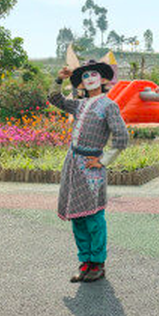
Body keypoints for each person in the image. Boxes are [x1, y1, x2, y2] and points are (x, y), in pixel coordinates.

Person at [49, 60, 129, 282]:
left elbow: (122, 138)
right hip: (73, 163)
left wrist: (103, 161)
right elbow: (54, 99)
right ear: (82, 83)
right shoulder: (79, 105)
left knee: (93, 217)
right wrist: (60, 79)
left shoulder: (108, 106)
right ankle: (84, 262)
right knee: (77, 216)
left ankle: (98, 263)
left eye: (94, 74)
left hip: (91, 166)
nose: (90, 78)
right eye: (85, 76)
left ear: (103, 79)